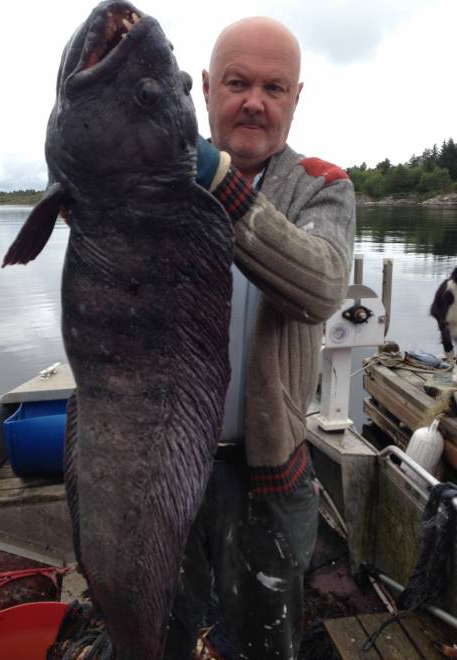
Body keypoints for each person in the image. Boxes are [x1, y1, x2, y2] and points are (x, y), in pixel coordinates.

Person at [164, 16, 355, 660]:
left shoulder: (324, 186)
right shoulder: (155, 175)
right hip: (164, 466)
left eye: (275, 88)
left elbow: (322, 288)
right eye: (239, 83)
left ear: (297, 99)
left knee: (267, 639)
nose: (255, 101)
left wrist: (220, 180)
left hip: (269, 469)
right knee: (156, 628)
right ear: (207, 88)